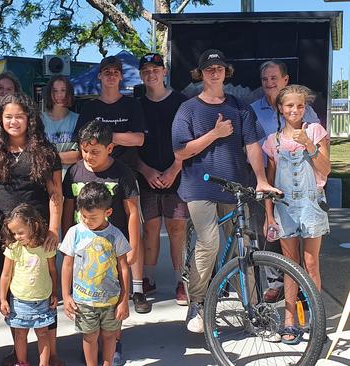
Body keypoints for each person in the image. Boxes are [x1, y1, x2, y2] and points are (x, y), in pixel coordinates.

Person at [172, 49, 279, 334]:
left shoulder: (240, 106)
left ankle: (254, 311)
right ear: (201, 74)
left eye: (219, 68)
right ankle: (197, 302)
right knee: (210, 243)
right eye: (209, 69)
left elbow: (253, 145)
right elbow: (180, 151)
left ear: (226, 72)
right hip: (200, 187)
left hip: (235, 188)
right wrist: (215, 134)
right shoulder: (188, 109)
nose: (215, 72)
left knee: (246, 249)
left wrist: (260, 180)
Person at [0, 93, 63, 366]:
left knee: (44, 288)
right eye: (8, 117)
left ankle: (52, 354)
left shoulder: (46, 152)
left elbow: (55, 194)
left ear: (29, 118)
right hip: (6, 235)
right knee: (16, 294)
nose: (14, 121)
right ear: (0, 120)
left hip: (38, 235)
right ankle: (20, 353)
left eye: (19, 116)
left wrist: (53, 229)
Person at [61, 121, 140, 365]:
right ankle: (90, 343)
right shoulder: (74, 172)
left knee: (113, 296)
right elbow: (68, 208)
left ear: (110, 148)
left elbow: (133, 212)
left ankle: (114, 342)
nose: (88, 156)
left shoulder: (123, 173)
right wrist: (66, 237)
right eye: (84, 150)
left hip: (112, 245)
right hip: (82, 248)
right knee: (88, 296)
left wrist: (134, 246)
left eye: (95, 151)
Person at [77, 55, 148, 312]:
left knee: (131, 229)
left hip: (125, 174)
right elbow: (83, 141)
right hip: (94, 175)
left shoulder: (131, 106)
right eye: (106, 72)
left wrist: (106, 136)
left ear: (121, 77)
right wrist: (115, 140)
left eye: (115, 72)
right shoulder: (89, 108)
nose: (110, 76)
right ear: (99, 76)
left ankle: (137, 289)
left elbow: (139, 139)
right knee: (94, 231)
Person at [263, 84, 330, 344]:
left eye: (300, 106)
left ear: (305, 108)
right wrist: (269, 216)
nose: (295, 110)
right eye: (289, 105)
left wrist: (309, 146)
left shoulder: (315, 131)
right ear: (280, 108)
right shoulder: (274, 141)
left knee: (311, 263)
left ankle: (316, 321)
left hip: (312, 204)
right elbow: (269, 183)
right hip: (285, 207)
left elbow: (325, 169)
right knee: (289, 265)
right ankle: (289, 320)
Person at [250, 60, 321, 302]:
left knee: (307, 252)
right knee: (269, 231)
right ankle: (275, 282)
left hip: (300, 181)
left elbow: (316, 143)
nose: (269, 83)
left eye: (274, 78)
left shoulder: (304, 109)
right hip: (266, 175)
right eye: (264, 79)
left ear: (285, 80)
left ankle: (305, 291)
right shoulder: (253, 109)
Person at [135, 53, 189, 305]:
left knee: (177, 228)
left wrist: (174, 169)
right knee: (151, 227)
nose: (151, 74)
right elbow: (130, 148)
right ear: (141, 75)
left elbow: (191, 143)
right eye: (145, 70)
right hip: (146, 176)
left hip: (177, 176)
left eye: (155, 69)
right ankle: (149, 278)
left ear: (164, 72)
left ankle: (181, 280)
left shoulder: (182, 102)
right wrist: (145, 170)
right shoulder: (136, 105)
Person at [60, 181, 130, 366]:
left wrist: (124, 300)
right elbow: (67, 265)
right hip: (84, 301)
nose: (87, 221)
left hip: (111, 301)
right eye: (83, 216)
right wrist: (66, 295)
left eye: (92, 217)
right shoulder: (74, 233)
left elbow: (124, 267)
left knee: (109, 336)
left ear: (108, 213)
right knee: (89, 337)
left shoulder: (116, 235)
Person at [0, 203, 58, 366]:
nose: (17, 236)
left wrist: (54, 292)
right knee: (20, 334)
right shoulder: (13, 248)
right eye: (13, 233)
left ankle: (43, 363)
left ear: (34, 225)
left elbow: (53, 271)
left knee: (43, 334)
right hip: (19, 301)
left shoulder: (46, 247)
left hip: (42, 299)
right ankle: (22, 362)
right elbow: (5, 275)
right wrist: (3, 299)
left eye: (20, 232)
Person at [41, 75, 80, 175]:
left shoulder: (77, 119)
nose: (59, 95)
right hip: (45, 179)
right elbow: (36, 154)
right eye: (55, 91)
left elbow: (79, 155)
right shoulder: (39, 119)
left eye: (63, 90)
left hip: (71, 178)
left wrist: (49, 157)